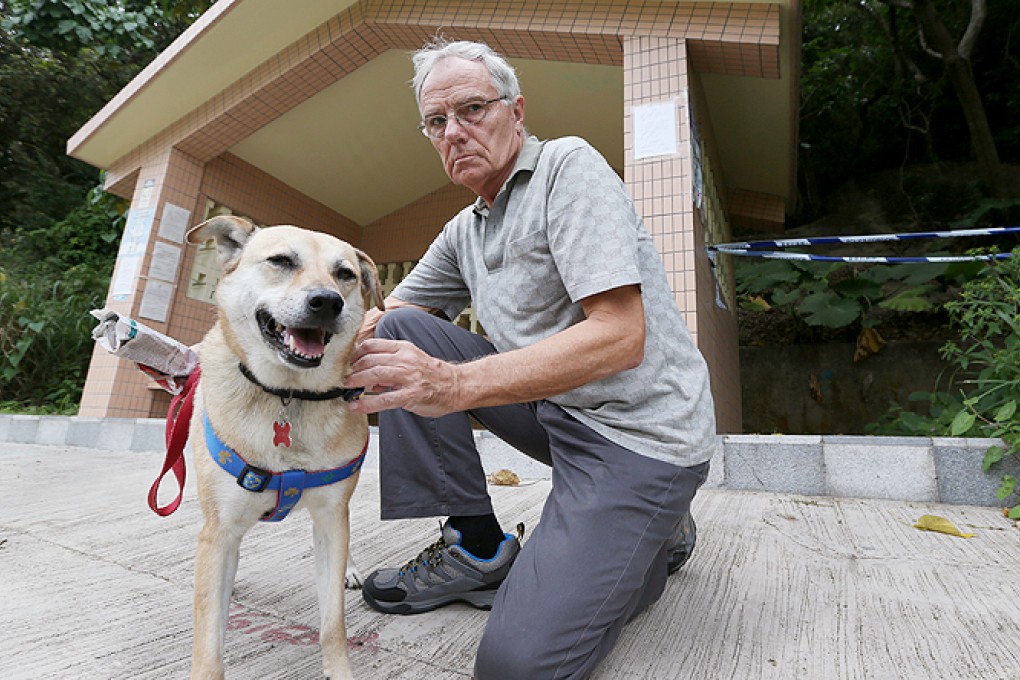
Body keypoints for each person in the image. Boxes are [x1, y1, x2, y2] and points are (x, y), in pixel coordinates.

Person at [344, 38, 718, 680]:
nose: (454, 132)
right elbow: (382, 320)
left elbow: (620, 337)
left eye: (471, 110)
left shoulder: (567, 169)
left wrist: (457, 383)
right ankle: (477, 548)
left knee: (516, 667)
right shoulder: (467, 227)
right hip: (557, 413)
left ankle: (650, 540)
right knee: (403, 333)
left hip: (639, 436)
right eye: (438, 122)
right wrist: (256, 359)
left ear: (516, 111)